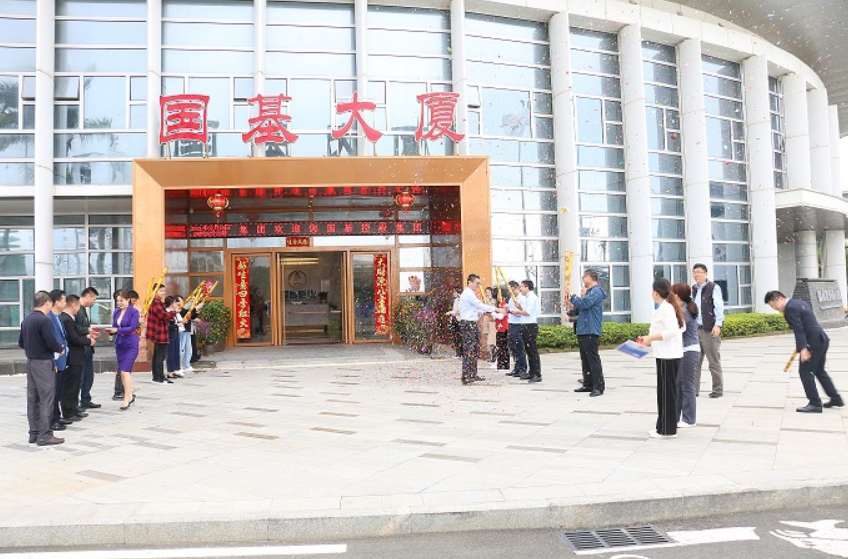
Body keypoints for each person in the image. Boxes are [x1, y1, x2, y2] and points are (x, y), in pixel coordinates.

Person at [765, 291, 844, 413]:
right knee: (819, 370)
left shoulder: (790, 309)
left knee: (805, 372)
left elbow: (799, 329)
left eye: (773, 305)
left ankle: (815, 403)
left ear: (780, 299)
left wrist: (803, 349)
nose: (776, 309)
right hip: (821, 339)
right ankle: (835, 398)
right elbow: (807, 324)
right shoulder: (799, 303)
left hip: (812, 344)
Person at [640, 279, 686, 439]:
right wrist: (648, 340)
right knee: (664, 393)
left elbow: (673, 331)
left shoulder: (666, 308)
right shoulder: (666, 307)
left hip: (668, 356)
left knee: (667, 394)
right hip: (664, 355)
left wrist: (651, 338)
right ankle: (662, 427)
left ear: (655, 293)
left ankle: (667, 430)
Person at [19, 291, 66, 446]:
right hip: (44, 363)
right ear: (47, 303)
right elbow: (51, 342)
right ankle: (45, 434)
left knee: (33, 398)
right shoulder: (44, 320)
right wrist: (60, 349)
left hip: (31, 362)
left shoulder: (26, 320)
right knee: (46, 398)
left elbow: (21, 343)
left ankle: (34, 433)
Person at [566, 269, 607, 397]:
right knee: (585, 359)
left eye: (584, 277)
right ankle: (588, 384)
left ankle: (598, 387)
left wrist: (572, 295)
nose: (583, 280)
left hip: (591, 329)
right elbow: (580, 310)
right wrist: (571, 308)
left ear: (589, 277)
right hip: (583, 330)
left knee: (593, 359)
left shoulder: (596, 291)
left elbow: (585, 304)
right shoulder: (589, 292)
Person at [458, 274, 498, 385]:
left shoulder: (471, 294)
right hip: (468, 324)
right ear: (470, 282)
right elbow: (479, 305)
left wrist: (484, 312)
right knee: (469, 350)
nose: (478, 285)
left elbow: (475, 310)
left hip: (472, 324)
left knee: (474, 349)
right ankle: (466, 376)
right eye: (477, 283)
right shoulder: (468, 294)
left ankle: (473, 373)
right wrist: (494, 309)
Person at [692, 264, 725, 398]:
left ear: (705, 273)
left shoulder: (713, 288)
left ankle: (717, 389)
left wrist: (718, 325)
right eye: (694, 272)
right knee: (695, 362)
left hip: (709, 329)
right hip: (695, 329)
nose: (696, 275)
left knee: (713, 361)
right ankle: (693, 390)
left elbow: (719, 307)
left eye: (699, 272)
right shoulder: (693, 289)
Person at [105, 291, 140, 411]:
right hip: (120, 344)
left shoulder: (134, 312)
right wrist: (112, 331)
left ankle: (127, 397)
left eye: (121, 300)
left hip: (131, 344)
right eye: (117, 301)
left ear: (128, 300)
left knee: (125, 371)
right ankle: (129, 393)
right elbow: (115, 326)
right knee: (123, 372)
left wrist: (118, 330)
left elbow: (133, 327)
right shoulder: (116, 312)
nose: (119, 303)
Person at [61, 295, 93, 423]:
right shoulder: (66, 319)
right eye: (78, 306)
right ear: (74, 305)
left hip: (77, 357)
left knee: (75, 386)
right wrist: (88, 341)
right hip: (72, 357)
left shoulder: (70, 318)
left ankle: (74, 409)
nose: (79, 309)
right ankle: (68, 412)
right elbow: (73, 339)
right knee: (70, 386)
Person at [672, 282, 700, 428]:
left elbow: (675, 331)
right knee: (678, 384)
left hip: (689, 351)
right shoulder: (683, 308)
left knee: (687, 385)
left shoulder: (684, 310)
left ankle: (689, 419)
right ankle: (676, 417)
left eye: (672, 293)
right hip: (683, 350)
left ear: (677, 295)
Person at [510, 280, 542, 382]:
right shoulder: (528, 298)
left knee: (532, 351)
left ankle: (537, 373)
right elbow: (526, 310)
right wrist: (520, 307)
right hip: (526, 325)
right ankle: (532, 372)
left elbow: (528, 313)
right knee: (528, 350)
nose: (520, 289)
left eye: (522, 287)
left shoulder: (532, 297)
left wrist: (517, 312)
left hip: (530, 326)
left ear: (527, 287)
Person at [75, 286, 101, 409]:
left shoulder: (83, 310)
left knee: (88, 376)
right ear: (89, 296)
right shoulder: (77, 309)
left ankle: (86, 399)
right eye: (94, 299)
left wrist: (90, 334)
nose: (93, 302)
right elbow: (74, 329)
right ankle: (75, 403)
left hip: (87, 347)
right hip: (81, 348)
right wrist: (88, 330)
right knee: (81, 377)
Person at [48, 290, 69, 433]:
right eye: (64, 300)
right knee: (53, 392)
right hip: (54, 361)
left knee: (59, 391)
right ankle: (53, 419)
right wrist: (53, 362)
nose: (65, 303)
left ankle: (58, 416)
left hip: (62, 360)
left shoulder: (58, 317)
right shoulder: (48, 318)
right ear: (56, 302)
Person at [146, 286, 176, 384]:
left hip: (159, 331)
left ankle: (157, 376)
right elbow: (162, 315)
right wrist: (174, 312)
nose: (163, 293)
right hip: (159, 332)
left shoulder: (158, 302)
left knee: (157, 355)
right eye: (161, 291)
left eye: (164, 291)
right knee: (160, 356)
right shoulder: (155, 303)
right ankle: (159, 377)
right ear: (155, 291)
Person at [506, 281, 528, 378]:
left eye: (510, 289)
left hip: (518, 324)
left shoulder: (522, 298)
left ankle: (522, 369)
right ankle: (517, 368)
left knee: (519, 347)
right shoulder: (511, 298)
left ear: (514, 288)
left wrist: (514, 311)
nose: (509, 291)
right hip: (511, 323)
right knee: (513, 347)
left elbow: (523, 312)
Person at [177, 300, 202, 373]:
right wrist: (195, 308)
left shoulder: (184, 309)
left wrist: (196, 312)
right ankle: (179, 366)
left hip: (187, 330)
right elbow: (185, 313)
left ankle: (187, 365)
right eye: (180, 300)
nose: (182, 302)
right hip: (182, 331)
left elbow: (191, 316)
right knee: (181, 349)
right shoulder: (178, 310)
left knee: (189, 349)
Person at [164, 295, 183, 379]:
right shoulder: (166, 312)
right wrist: (177, 325)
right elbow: (168, 326)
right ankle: (169, 371)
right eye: (175, 302)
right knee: (170, 353)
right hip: (170, 335)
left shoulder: (174, 312)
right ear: (171, 303)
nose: (176, 304)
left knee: (176, 352)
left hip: (175, 333)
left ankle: (175, 370)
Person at [444, 287, 462, 358]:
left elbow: (458, 311)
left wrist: (450, 312)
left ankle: (460, 353)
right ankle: (458, 353)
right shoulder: (456, 300)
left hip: (459, 320)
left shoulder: (460, 300)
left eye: (455, 292)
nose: (453, 293)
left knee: (459, 337)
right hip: (455, 320)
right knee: (456, 337)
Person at [494, 299, 510, 370]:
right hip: (499, 330)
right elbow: (494, 318)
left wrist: (492, 312)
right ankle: (500, 364)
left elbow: (500, 316)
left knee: (503, 348)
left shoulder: (504, 306)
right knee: (499, 348)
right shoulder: (499, 307)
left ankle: (504, 364)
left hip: (504, 330)